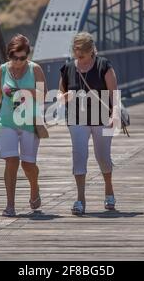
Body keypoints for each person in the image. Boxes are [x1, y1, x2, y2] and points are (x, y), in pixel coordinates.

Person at [0, 34, 47, 217]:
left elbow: (43, 95)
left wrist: (23, 91)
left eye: (22, 58)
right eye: (14, 57)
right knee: (11, 161)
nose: (18, 62)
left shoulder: (35, 69)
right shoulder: (2, 71)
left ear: (28, 55)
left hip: (29, 122)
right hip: (8, 122)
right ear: (8, 55)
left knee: (28, 164)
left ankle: (34, 186)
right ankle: (10, 205)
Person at [58, 32, 120, 215]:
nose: (80, 59)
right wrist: (64, 97)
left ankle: (109, 188)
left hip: (102, 117)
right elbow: (59, 95)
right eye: (77, 54)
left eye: (83, 55)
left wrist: (114, 113)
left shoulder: (104, 65)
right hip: (77, 118)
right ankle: (80, 199)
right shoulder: (68, 68)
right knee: (79, 154)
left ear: (91, 51)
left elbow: (114, 94)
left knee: (103, 156)